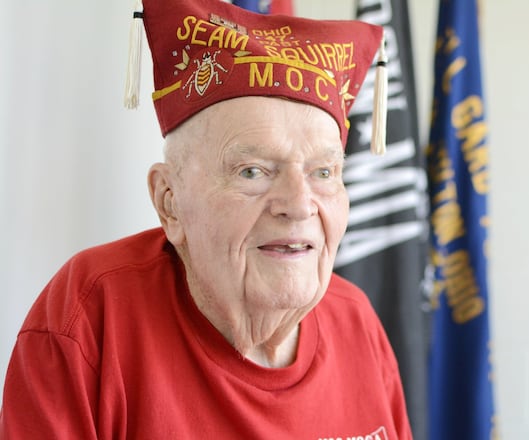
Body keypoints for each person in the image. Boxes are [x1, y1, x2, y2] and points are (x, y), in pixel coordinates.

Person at [0, 0, 412, 438]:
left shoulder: (357, 321)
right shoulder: (91, 316)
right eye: (252, 171)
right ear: (170, 202)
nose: (298, 204)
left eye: (323, 173)